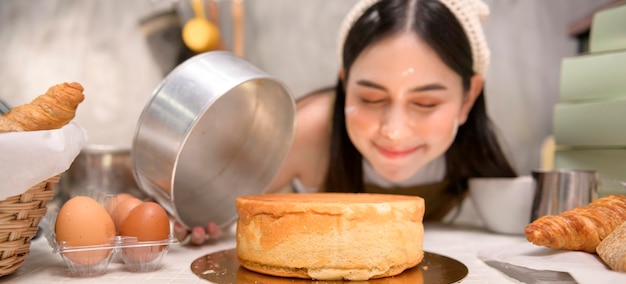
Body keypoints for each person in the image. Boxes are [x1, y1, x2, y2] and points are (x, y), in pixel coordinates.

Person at [174, 0, 517, 245]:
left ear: (468, 97)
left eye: (425, 103)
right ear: (344, 84)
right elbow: (204, 203)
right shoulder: (310, 133)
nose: (394, 130)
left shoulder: (476, 152)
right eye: (370, 98)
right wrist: (192, 220)